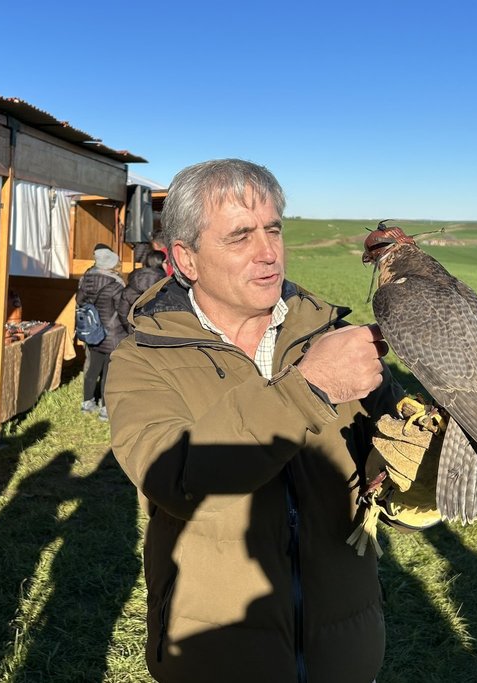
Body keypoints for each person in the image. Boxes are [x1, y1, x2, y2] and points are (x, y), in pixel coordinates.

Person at [105, 159, 408, 682]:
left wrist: (421, 464)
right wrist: (309, 388)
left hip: (345, 654)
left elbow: (397, 463)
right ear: (187, 259)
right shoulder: (143, 359)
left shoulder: (334, 340)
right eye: (240, 237)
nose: (268, 254)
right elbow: (175, 479)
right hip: (216, 658)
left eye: (273, 230)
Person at [77, 243, 126, 420]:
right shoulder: (117, 283)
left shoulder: (86, 278)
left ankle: (87, 403)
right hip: (113, 333)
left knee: (92, 370)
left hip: (92, 331)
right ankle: (105, 410)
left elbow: (80, 301)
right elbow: (123, 310)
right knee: (109, 372)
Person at [119, 249, 167, 332]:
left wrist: (131, 330)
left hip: (136, 333)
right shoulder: (166, 285)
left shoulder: (131, 286)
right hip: (159, 335)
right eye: (166, 263)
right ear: (160, 263)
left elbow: (123, 313)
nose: (168, 266)